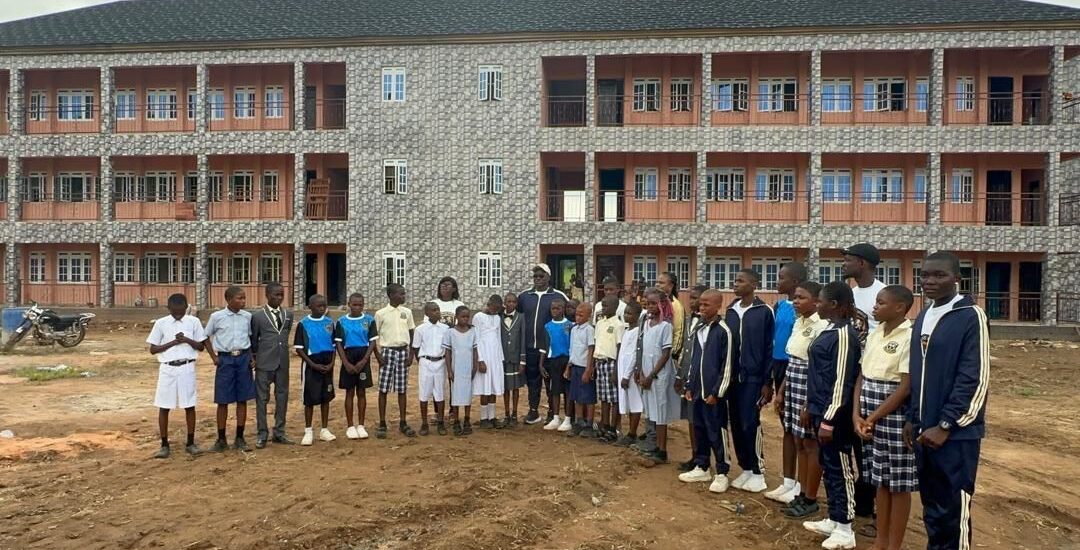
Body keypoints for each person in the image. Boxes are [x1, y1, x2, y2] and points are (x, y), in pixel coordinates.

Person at [906, 252, 989, 550]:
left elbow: (975, 377)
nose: (929, 281)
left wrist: (946, 424)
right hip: (924, 431)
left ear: (957, 278)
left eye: (939, 275)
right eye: (925, 275)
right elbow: (918, 374)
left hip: (954, 435)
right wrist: (912, 418)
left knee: (954, 508)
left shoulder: (971, 316)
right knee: (933, 509)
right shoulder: (923, 315)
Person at [853, 285, 917, 550]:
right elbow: (862, 375)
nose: (874, 307)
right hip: (869, 413)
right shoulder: (875, 333)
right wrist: (857, 415)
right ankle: (880, 540)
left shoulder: (910, 336)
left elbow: (905, 387)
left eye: (881, 303)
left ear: (899, 307)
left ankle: (894, 545)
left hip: (892, 415)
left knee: (898, 484)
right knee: (880, 479)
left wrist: (873, 417)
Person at [801, 281, 862, 550]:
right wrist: (809, 404)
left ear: (834, 305)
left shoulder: (845, 335)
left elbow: (843, 381)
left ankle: (846, 528)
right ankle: (834, 518)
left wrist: (829, 419)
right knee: (828, 465)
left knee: (840, 468)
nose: (817, 305)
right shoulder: (830, 329)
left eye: (821, 301)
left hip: (834, 415)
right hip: (819, 408)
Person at [841, 242, 887, 533]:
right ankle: (860, 498)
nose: (844, 264)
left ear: (863, 263)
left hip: (871, 374)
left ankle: (874, 506)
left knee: (871, 443)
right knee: (852, 437)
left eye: (849, 260)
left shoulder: (882, 294)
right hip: (848, 373)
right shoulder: (850, 294)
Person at [780, 281, 829, 518]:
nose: (796, 301)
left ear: (817, 301)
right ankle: (801, 491)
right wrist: (782, 390)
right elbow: (793, 359)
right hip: (793, 380)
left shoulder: (822, 325)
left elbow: (817, 367)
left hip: (809, 386)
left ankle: (811, 497)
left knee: (810, 443)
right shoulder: (799, 322)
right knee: (798, 440)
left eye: (802, 298)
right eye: (795, 297)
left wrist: (810, 402)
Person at [678, 289, 733, 493]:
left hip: (713, 394)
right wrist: (689, 386)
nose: (701, 308)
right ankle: (702, 466)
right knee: (699, 428)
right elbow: (694, 360)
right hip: (697, 391)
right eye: (700, 304)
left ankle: (722, 472)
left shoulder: (723, 331)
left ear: (718, 306)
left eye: (706, 305)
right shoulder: (698, 328)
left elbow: (727, 366)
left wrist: (717, 393)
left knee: (716, 431)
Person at [724, 269, 774, 493]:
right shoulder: (731, 310)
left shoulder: (764, 311)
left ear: (754, 284)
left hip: (754, 379)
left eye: (740, 281)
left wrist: (767, 381)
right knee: (736, 423)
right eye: (735, 280)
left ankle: (758, 471)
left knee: (750, 423)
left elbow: (770, 347)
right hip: (733, 378)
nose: (735, 284)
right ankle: (745, 467)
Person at [764, 263, 808, 500]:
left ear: (796, 281)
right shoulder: (780, 305)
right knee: (787, 427)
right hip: (779, 366)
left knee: (800, 432)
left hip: (796, 369)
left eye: (782, 277)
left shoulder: (804, 312)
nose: (777, 281)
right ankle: (788, 481)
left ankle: (802, 484)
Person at [147, 293, 206, 458]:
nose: (178, 315)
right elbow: (153, 349)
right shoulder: (161, 323)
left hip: (187, 367)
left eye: (181, 311)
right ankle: (164, 444)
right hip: (168, 368)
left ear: (186, 307)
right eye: (175, 312)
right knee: (164, 406)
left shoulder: (193, 322)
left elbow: (201, 346)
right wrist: (173, 342)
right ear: (168, 308)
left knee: (189, 405)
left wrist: (186, 340)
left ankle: (191, 442)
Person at [204, 286, 256, 453]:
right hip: (225, 360)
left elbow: (250, 338)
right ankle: (221, 439)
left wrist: (252, 357)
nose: (243, 301)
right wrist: (214, 357)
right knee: (223, 400)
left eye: (244, 298)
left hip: (243, 359)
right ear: (228, 299)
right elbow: (205, 336)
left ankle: (240, 437)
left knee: (242, 399)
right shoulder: (217, 317)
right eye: (239, 298)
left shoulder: (247, 317)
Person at [517, 263, 569, 425]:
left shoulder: (558, 295)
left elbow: (570, 316)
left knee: (550, 381)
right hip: (530, 346)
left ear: (548, 277)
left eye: (541, 276)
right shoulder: (524, 296)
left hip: (549, 350)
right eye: (535, 276)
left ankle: (552, 413)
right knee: (533, 381)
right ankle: (533, 411)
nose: (538, 278)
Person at [249, 282, 293, 449]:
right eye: (276, 295)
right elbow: (254, 340)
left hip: (282, 362)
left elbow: (285, 335)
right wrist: (255, 358)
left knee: (282, 396)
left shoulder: (288, 314)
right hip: (264, 362)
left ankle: (279, 432)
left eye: (282, 294)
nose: (280, 298)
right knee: (262, 398)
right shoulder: (258, 316)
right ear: (267, 295)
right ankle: (262, 434)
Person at [373, 283, 417, 439]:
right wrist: (378, 356)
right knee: (383, 388)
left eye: (404, 293)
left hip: (403, 352)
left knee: (402, 389)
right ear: (391, 295)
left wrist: (411, 354)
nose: (404, 296)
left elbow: (412, 334)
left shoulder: (407, 312)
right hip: (387, 352)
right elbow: (373, 336)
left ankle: (403, 422)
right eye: (401, 294)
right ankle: (382, 423)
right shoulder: (381, 314)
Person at [638, 288, 677, 464]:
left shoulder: (665, 326)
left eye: (654, 303)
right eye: (648, 303)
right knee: (651, 409)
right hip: (646, 372)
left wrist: (651, 375)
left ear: (662, 305)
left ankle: (662, 450)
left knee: (660, 411)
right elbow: (643, 349)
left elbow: (665, 354)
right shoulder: (646, 323)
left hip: (659, 375)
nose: (650, 306)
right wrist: (641, 372)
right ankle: (656, 445)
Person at [294, 294, 337, 446]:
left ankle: (324, 429)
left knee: (326, 397)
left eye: (324, 305)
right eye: (319, 306)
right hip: (311, 365)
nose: (322, 308)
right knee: (310, 399)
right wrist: (313, 365)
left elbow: (334, 346)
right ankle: (308, 431)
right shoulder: (303, 324)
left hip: (327, 364)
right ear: (310, 307)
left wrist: (332, 363)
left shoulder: (330, 323)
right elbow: (299, 349)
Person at [334, 292, 377, 440]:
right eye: (354, 304)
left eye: (360, 305)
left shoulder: (369, 320)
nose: (357, 307)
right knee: (349, 392)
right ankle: (350, 426)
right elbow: (338, 343)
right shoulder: (341, 321)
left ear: (363, 305)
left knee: (361, 392)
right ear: (349, 305)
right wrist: (345, 362)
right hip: (348, 356)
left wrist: (364, 360)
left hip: (363, 356)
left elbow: (372, 342)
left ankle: (361, 425)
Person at [675, 284, 707, 472]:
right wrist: (680, 375)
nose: (692, 302)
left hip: (699, 379)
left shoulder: (709, 324)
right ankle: (695, 455)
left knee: (700, 421)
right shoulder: (688, 320)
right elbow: (685, 351)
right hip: (687, 377)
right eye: (691, 298)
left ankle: (703, 458)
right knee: (690, 419)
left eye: (696, 299)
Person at [412, 302, 449, 436]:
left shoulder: (445, 328)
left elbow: (447, 348)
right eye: (433, 310)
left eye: (438, 309)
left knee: (440, 393)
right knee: (424, 393)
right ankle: (424, 423)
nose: (437, 312)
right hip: (426, 363)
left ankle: (440, 422)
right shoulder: (420, 329)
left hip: (440, 362)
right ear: (427, 313)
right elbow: (416, 347)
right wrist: (423, 361)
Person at [538, 298, 573, 431]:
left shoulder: (569, 325)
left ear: (563, 309)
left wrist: (570, 363)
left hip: (567, 361)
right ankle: (556, 417)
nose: (555, 311)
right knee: (555, 390)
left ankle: (568, 419)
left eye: (558, 308)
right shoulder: (547, 326)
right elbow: (544, 347)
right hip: (553, 361)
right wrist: (541, 364)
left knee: (568, 391)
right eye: (553, 308)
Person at [593, 296, 625, 442]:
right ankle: (604, 425)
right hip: (600, 363)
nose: (603, 308)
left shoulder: (619, 325)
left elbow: (619, 347)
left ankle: (613, 427)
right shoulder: (599, 323)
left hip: (612, 363)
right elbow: (597, 343)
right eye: (602, 305)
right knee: (604, 397)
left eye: (606, 306)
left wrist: (616, 370)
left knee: (614, 398)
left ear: (615, 307)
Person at [443, 305, 479, 436]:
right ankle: (456, 420)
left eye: (467, 317)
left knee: (468, 395)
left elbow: (475, 350)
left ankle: (467, 420)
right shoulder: (450, 332)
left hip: (468, 368)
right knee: (456, 395)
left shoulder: (473, 331)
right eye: (462, 316)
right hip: (456, 369)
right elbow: (448, 352)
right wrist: (449, 370)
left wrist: (475, 367)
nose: (465, 319)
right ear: (457, 317)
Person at [473, 295, 506, 429]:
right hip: (484, 356)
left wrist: (501, 358)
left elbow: (498, 338)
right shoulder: (478, 317)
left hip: (495, 356)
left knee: (493, 386)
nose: (495, 311)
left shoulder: (497, 318)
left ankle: (492, 417)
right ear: (489, 304)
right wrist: (480, 360)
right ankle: (483, 418)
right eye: (494, 308)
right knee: (484, 387)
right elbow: (476, 339)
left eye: (498, 309)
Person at [614, 300, 644, 447]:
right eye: (625, 313)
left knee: (635, 403)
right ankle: (631, 432)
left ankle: (632, 433)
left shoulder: (637, 332)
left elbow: (633, 355)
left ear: (638, 315)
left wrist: (626, 375)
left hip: (630, 374)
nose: (626, 315)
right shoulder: (627, 330)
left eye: (630, 313)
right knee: (629, 403)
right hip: (623, 371)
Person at [566, 302, 596, 438]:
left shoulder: (589, 330)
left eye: (581, 315)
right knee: (576, 395)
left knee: (588, 397)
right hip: (575, 366)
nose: (577, 317)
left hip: (585, 367)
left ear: (589, 316)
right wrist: (568, 366)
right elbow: (572, 349)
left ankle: (589, 424)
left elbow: (591, 349)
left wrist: (588, 369)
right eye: (576, 315)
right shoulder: (574, 330)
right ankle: (579, 422)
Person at [500, 292, 524, 426]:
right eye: (508, 301)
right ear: (504, 303)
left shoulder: (521, 317)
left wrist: (522, 360)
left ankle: (514, 414)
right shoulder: (498, 317)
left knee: (515, 387)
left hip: (515, 358)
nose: (511, 304)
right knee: (505, 388)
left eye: (514, 302)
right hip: (503, 358)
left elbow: (523, 339)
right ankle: (506, 414)